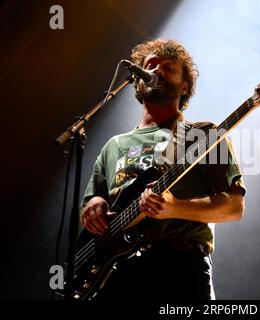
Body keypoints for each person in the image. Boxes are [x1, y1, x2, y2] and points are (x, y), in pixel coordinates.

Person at [80, 39, 246, 300]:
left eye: (168, 68)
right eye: (151, 65)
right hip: (115, 273)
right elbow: (94, 199)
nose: (157, 70)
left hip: (180, 269)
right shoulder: (113, 146)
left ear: (185, 86)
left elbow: (233, 207)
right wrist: (93, 206)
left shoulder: (204, 134)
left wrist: (174, 208)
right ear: (137, 80)